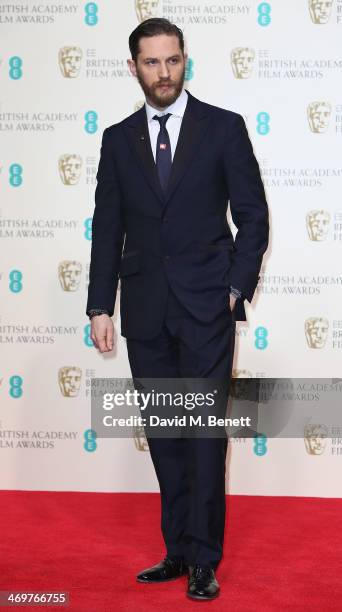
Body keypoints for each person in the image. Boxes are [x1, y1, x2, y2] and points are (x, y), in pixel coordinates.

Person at [86, 17, 269, 601]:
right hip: (145, 311)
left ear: (185, 60)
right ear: (134, 66)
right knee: (166, 434)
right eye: (152, 62)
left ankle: (205, 559)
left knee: (203, 436)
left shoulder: (223, 128)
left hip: (206, 309)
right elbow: (107, 229)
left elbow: (254, 216)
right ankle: (178, 550)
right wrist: (99, 306)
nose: (164, 73)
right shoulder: (118, 139)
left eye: (173, 60)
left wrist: (234, 288)